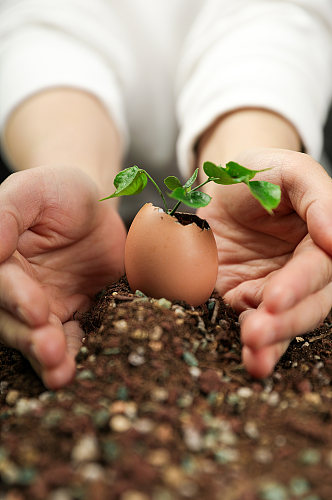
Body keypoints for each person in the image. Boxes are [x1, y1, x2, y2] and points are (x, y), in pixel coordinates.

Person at [0, 0, 331, 389]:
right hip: (94, 237)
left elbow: (279, 13)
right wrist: (77, 175)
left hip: (236, 220)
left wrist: (251, 153)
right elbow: (42, 20)